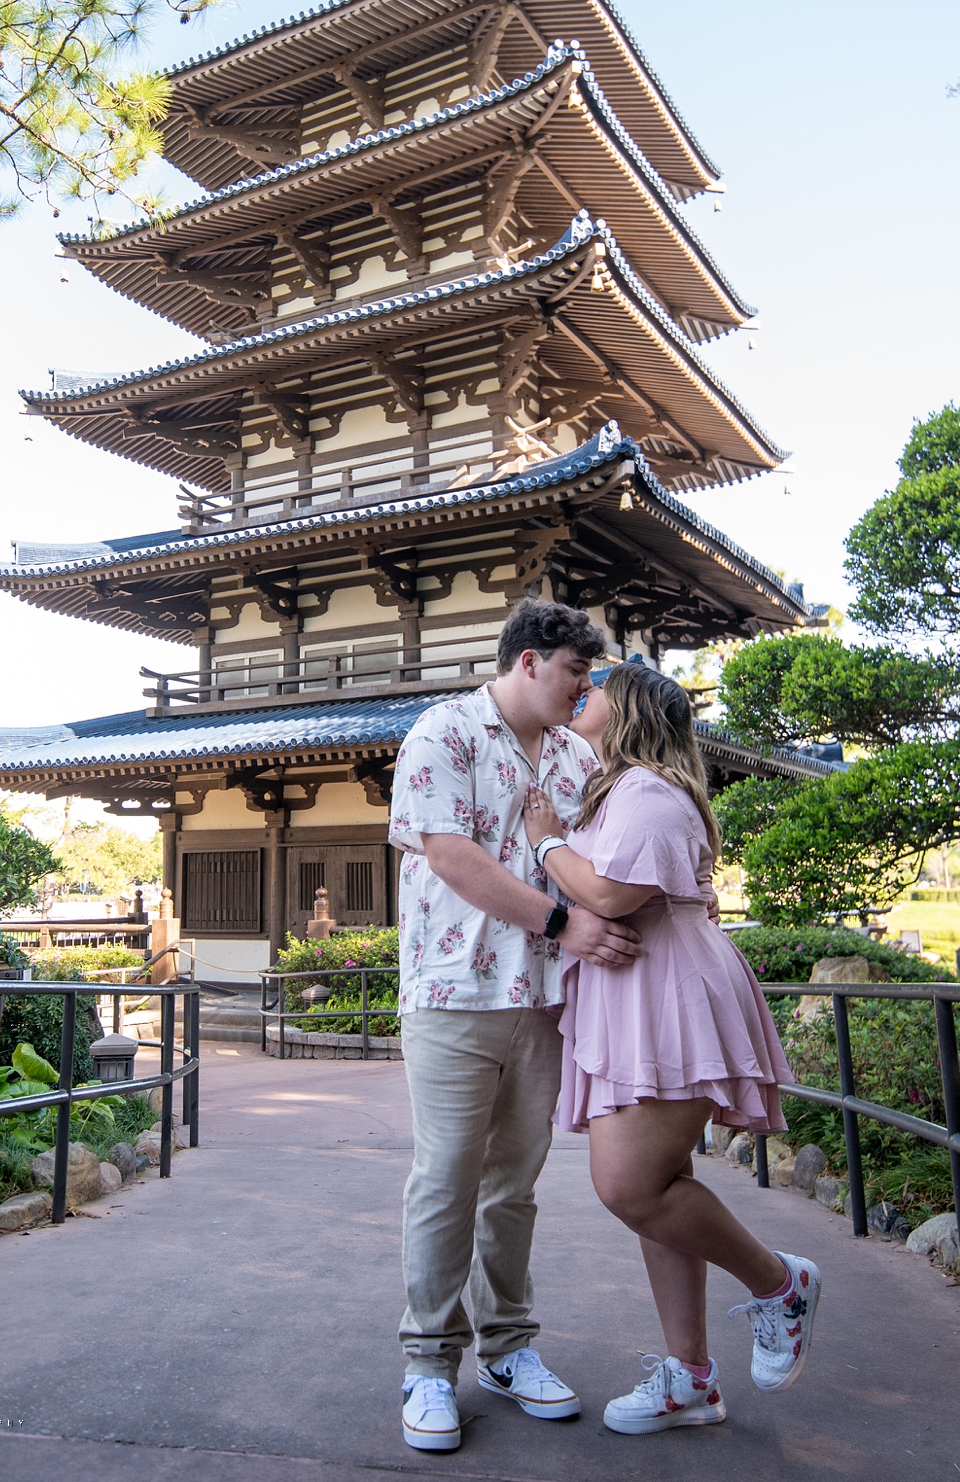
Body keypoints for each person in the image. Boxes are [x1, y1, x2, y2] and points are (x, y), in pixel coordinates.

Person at [523, 661, 821, 1436]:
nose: (583, 686)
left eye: (599, 683)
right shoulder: (621, 788)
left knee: (629, 1185)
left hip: (664, 991)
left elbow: (613, 894)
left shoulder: (649, 791)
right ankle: (690, 1378)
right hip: (639, 990)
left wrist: (546, 843)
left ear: (632, 711)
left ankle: (779, 1282)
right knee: (662, 1184)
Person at [387, 600, 643, 1453]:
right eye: (576, 670)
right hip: (455, 990)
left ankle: (507, 1347)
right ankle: (428, 1361)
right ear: (530, 661)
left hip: (545, 998)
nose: (585, 686)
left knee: (515, 1181)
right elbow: (453, 856)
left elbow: (603, 858)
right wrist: (563, 923)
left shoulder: (577, 755)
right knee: (447, 1175)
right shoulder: (444, 730)